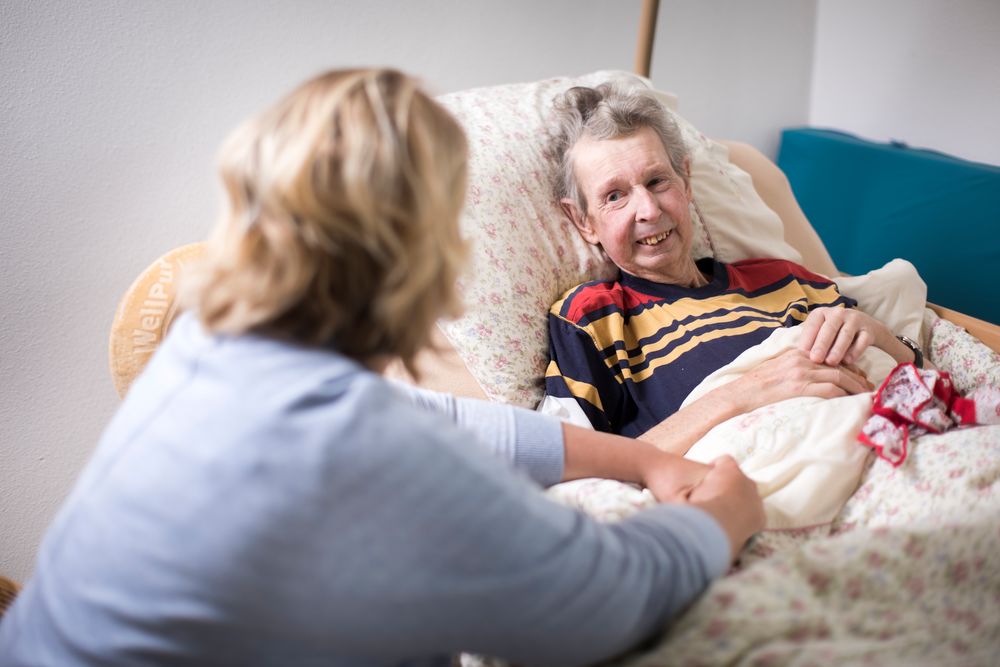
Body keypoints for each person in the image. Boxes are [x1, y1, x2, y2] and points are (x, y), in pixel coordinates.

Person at [0, 69, 764, 666]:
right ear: (421, 251)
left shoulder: (212, 352)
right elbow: (602, 600)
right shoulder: (363, 450)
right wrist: (723, 516)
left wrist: (643, 459)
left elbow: (451, 422)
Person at [542, 82, 926, 453]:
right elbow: (574, 465)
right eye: (615, 196)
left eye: (657, 181)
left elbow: (914, 377)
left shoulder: (785, 278)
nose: (649, 210)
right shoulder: (594, 320)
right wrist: (743, 393)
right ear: (583, 221)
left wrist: (881, 336)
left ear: (686, 182)